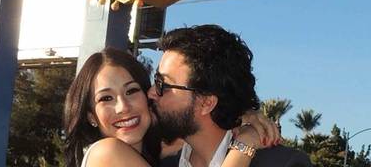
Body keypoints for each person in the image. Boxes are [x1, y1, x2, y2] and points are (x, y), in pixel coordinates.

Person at [64, 47, 279, 167]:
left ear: (147, 95)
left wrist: (241, 115)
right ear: (91, 116)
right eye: (106, 99)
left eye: (131, 91)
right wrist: (244, 145)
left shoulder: (167, 154)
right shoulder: (106, 153)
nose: (123, 107)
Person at [150, 25, 312, 167]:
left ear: (206, 102)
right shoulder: (163, 163)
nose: (151, 93)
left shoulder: (282, 163)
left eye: (162, 85)